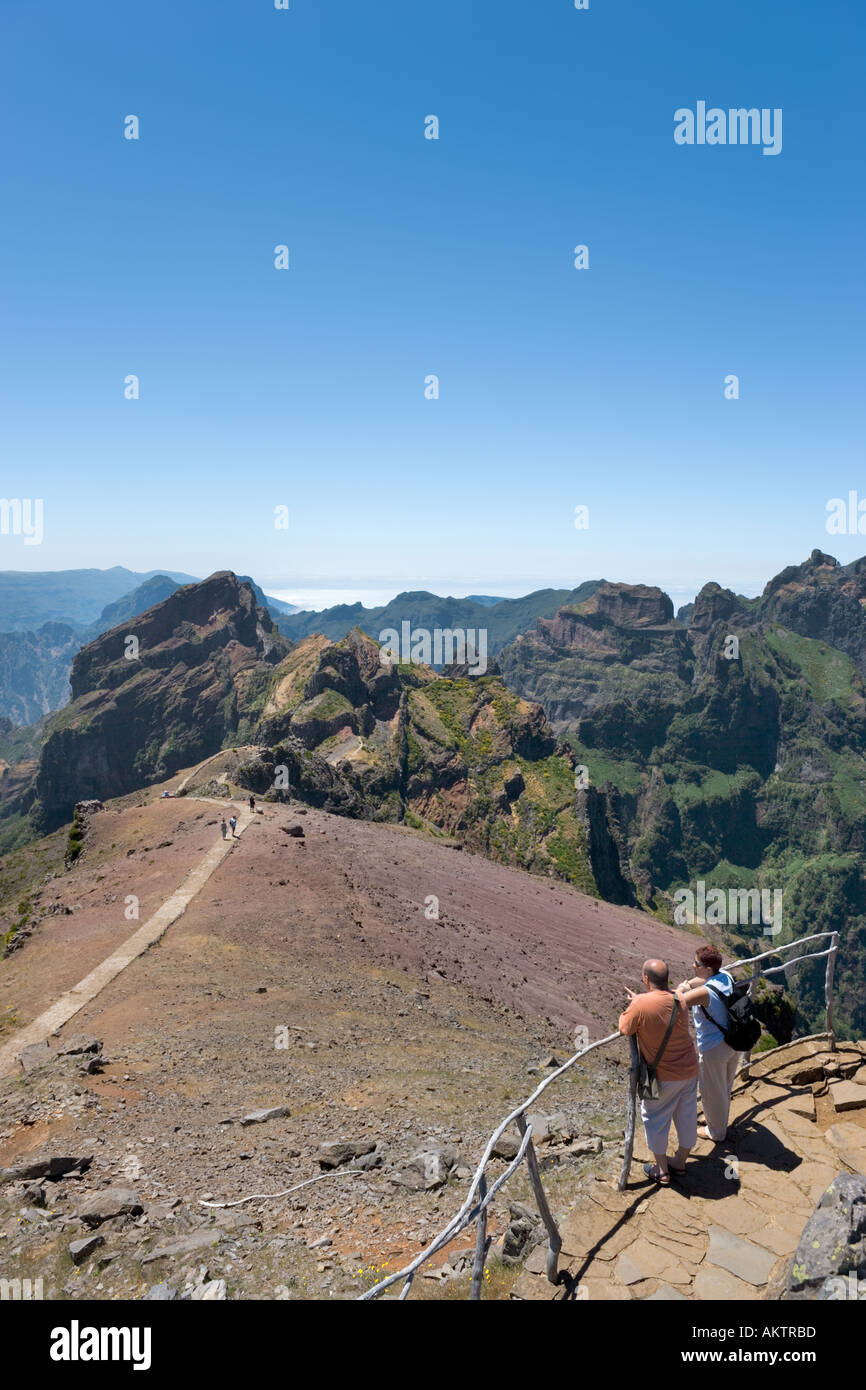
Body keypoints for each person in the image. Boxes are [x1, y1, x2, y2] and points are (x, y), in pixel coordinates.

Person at [618, 958, 699, 1185]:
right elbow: (662, 1005)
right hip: (690, 1070)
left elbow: (625, 1028)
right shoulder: (679, 999)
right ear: (667, 979)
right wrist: (641, 1000)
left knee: (655, 1118)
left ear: (645, 979)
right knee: (687, 1115)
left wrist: (636, 1002)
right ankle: (680, 1162)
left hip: (664, 1076)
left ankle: (662, 1170)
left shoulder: (641, 1004)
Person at [675, 946, 740, 1142]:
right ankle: (718, 1120)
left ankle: (716, 1132)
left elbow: (677, 1002)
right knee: (724, 1086)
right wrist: (689, 982)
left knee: (712, 1092)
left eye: (697, 964)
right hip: (734, 1041)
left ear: (708, 969)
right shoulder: (725, 976)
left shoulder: (704, 993)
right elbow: (701, 980)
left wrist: (681, 988)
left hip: (714, 1049)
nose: (693, 965)